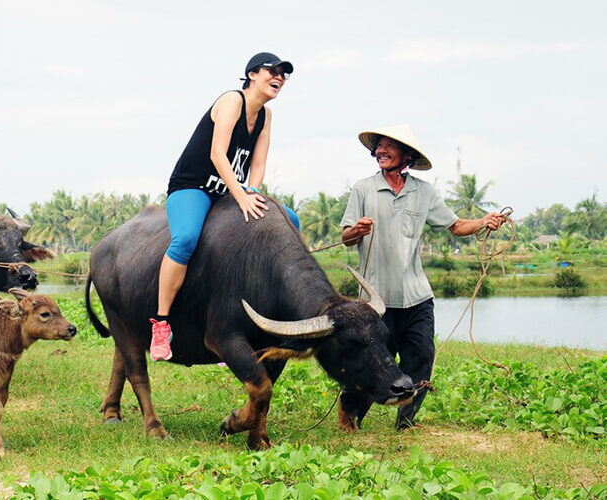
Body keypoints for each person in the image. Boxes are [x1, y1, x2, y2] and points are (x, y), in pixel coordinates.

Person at [339, 124, 504, 429]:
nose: (381, 151)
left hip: (416, 296)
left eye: (389, 146)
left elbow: (456, 225)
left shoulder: (424, 192)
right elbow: (346, 237)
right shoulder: (363, 189)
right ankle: (349, 415)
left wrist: (484, 222)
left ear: (407, 156)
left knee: (422, 356)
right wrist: (357, 230)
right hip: (376, 300)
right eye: (379, 146)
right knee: (373, 362)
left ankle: (406, 420)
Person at [150, 52, 301, 361]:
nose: (279, 77)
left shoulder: (266, 115)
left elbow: (258, 163)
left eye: (283, 74)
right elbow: (218, 154)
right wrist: (241, 197)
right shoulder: (232, 101)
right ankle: (162, 323)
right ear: (252, 74)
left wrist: (252, 193)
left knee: (290, 220)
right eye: (272, 71)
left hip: (228, 192)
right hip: (192, 187)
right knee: (185, 240)